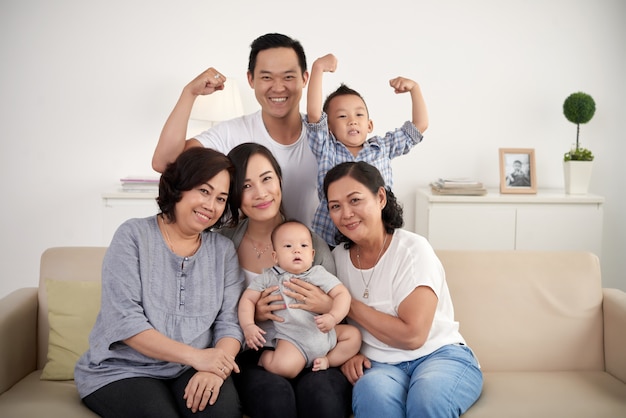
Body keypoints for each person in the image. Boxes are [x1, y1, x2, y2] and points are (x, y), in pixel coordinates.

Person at [74, 148, 244, 418]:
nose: (211, 206)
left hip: (194, 368)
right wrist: (196, 356)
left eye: (221, 198)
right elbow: (125, 321)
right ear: (179, 186)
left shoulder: (222, 251)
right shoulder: (133, 235)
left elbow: (230, 324)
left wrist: (215, 367)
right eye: (203, 190)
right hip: (124, 369)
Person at [323, 161, 483, 418]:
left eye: (355, 200)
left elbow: (412, 336)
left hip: (437, 355)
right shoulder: (337, 259)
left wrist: (347, 302)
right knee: (371, 395)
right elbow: (335, 325)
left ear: (380, 198)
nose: (346, 213)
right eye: (335, 206)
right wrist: (348, 355)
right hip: (380, 366)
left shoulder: (413, 250)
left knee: (426, 399)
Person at [219, 143, 353, 418]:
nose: (260, 193)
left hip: (315, 345)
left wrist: (325, 304)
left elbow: (340, 309)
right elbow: (213, 313)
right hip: (258, 351)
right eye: (246, 186)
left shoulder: (309, 243)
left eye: (267, 179)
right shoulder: (224, 242)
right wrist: (251, 315)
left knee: (323, 403)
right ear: (234, 194)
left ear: (279, 180)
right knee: (274, 403)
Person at [153, 33, 319, 227]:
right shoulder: (231, 133)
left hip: (314, 252)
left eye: (288, 77)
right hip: (244, 251)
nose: (278, 87)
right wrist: (189, 93)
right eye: (266, 77)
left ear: (305, 78)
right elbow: (165, 163)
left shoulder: (325, 134)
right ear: (250, 79)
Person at [306, 53, 429, 245]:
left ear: (370, 125)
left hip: (375, 233)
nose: (352, 120)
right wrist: (318, 68)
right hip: (331, 238)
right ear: (328, 127)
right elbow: (314, 114)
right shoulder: (326, 147)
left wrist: (414, 89)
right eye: (342, 116)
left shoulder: (382, 147)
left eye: (359, 114)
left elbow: (419, 126)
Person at [239, 220, 361, 378]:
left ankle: (327, 361)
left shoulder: (318, 273)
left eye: (303, 246)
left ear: (312, 255)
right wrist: (248, 325)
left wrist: (333, 316)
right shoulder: (270, 276)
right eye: (288, 246)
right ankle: (264, 359)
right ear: (275, 256)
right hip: (293, 340)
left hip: (325, 332)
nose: (296, 250)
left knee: (354, 337)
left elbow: (342, 294)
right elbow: (247, 299)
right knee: (285, 368)